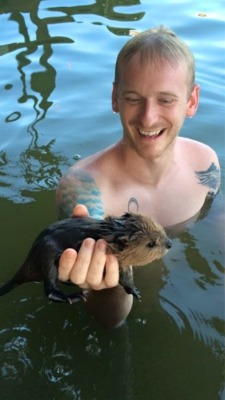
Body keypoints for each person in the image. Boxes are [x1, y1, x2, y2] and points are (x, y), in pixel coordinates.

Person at [56, 26, 221, 328]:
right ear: (115, 98)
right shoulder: (85, 190)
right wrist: (107, 288)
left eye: (166, 100)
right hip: (132, 311)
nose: (148, 117)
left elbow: (213, 226)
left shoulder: (205, 163)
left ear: (192, 101)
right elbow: (107, 319)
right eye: (134, 98)